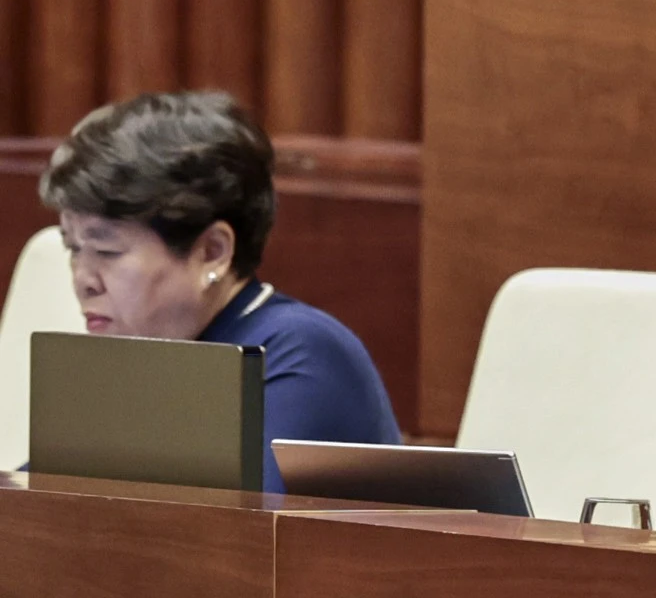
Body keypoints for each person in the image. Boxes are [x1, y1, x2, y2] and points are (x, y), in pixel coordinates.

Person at [41, 90, 401, 490]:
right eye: (73, 248)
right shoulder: (133, 358)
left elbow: (237, 539)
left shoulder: (302, 353)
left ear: (213, 251)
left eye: (107, 250)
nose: (82, 279)